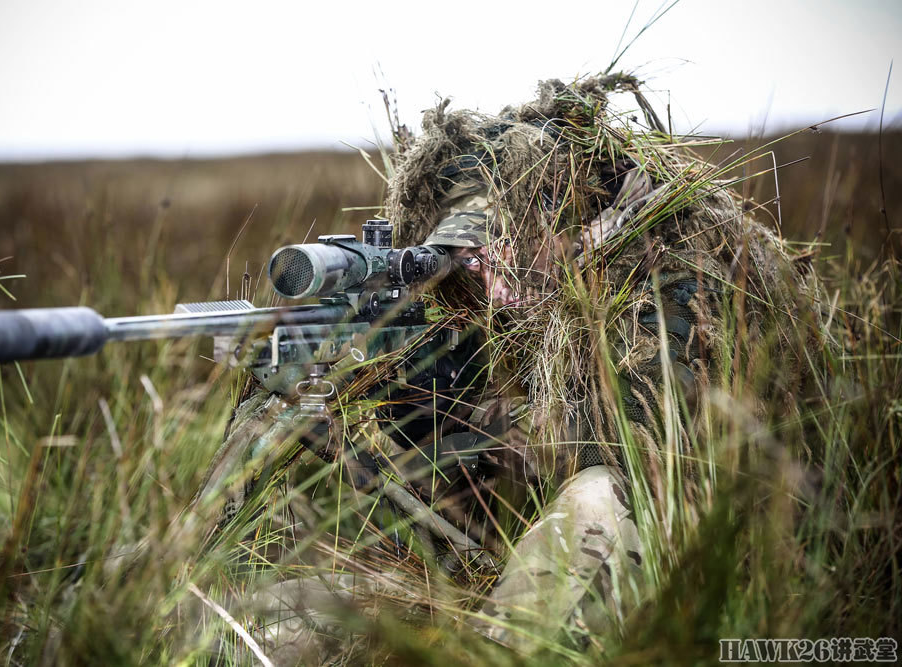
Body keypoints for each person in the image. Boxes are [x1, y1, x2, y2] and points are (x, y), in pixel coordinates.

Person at [187, 75, 819, 662]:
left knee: (594, 503)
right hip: (471, 571)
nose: (486, 270)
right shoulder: (474, 298)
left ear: (563, 213)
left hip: (687, 557)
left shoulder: (677, 267)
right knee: (249, 625)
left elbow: (642, 457)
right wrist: (406, 414)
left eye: (502, 239)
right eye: (463, 253)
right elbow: (464, 502)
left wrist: (492, 416)